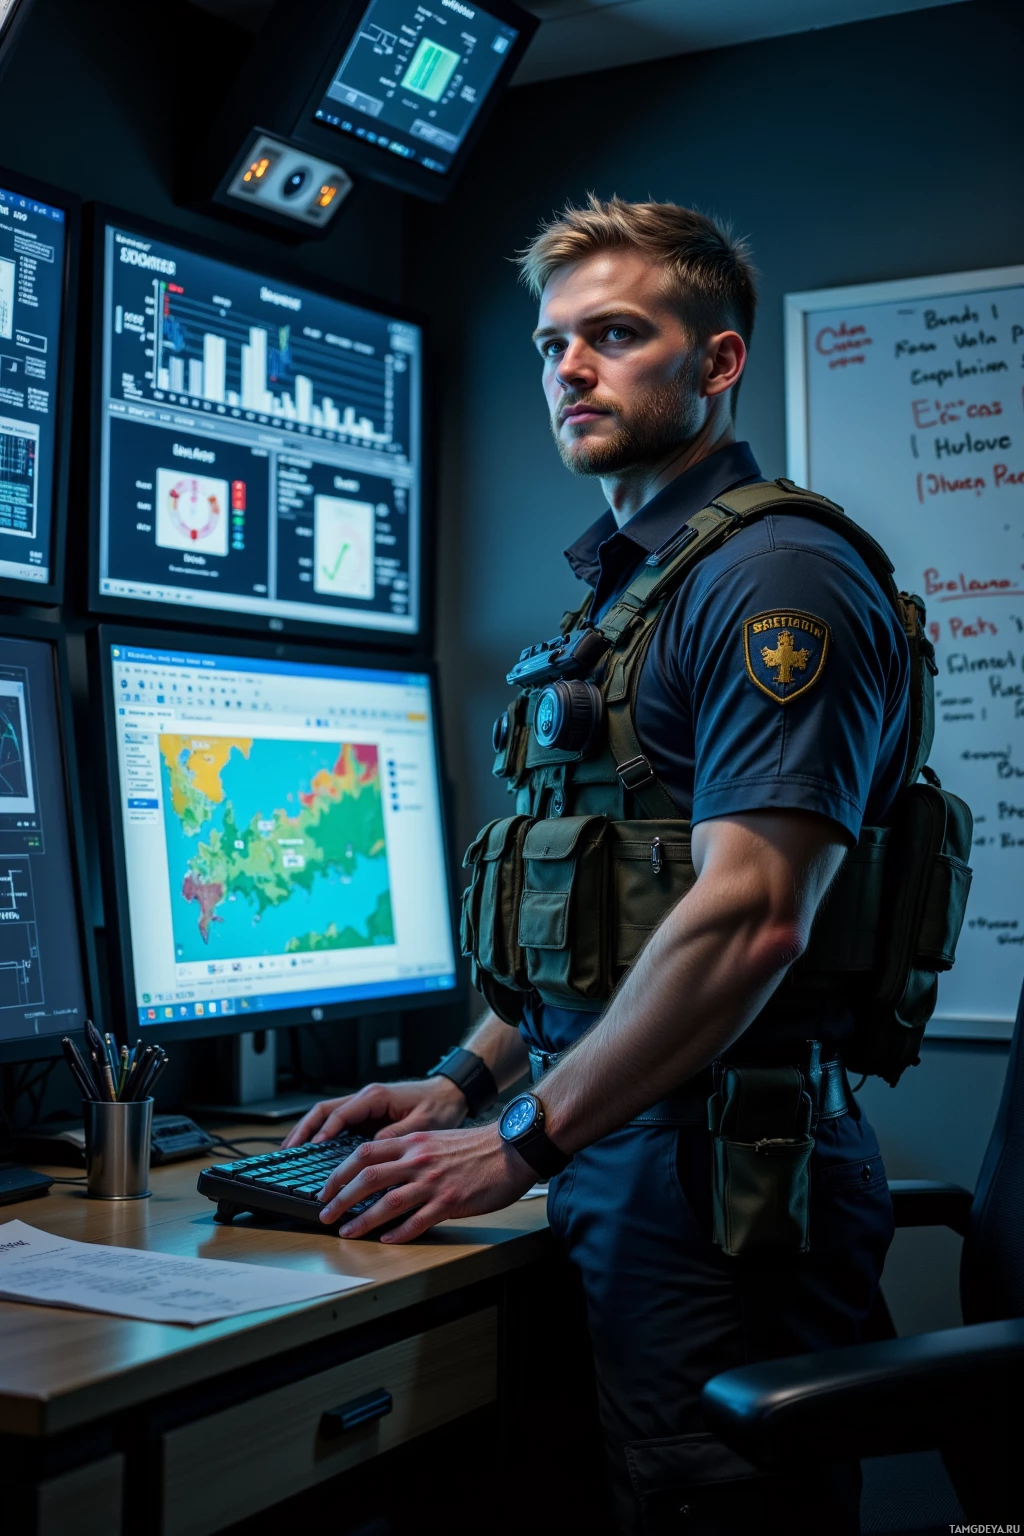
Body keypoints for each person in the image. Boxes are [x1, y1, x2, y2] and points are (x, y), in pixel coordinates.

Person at [284, 198, 908, 1534]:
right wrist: (463, 1084)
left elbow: (749, 917)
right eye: (552, 343)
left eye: (616, 335)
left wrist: (518, 1145)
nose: (570, 368)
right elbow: (612, 919)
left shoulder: (777, 579)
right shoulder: (641, 586)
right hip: (620, 1144)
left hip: (719, 1181)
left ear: (718, 360)